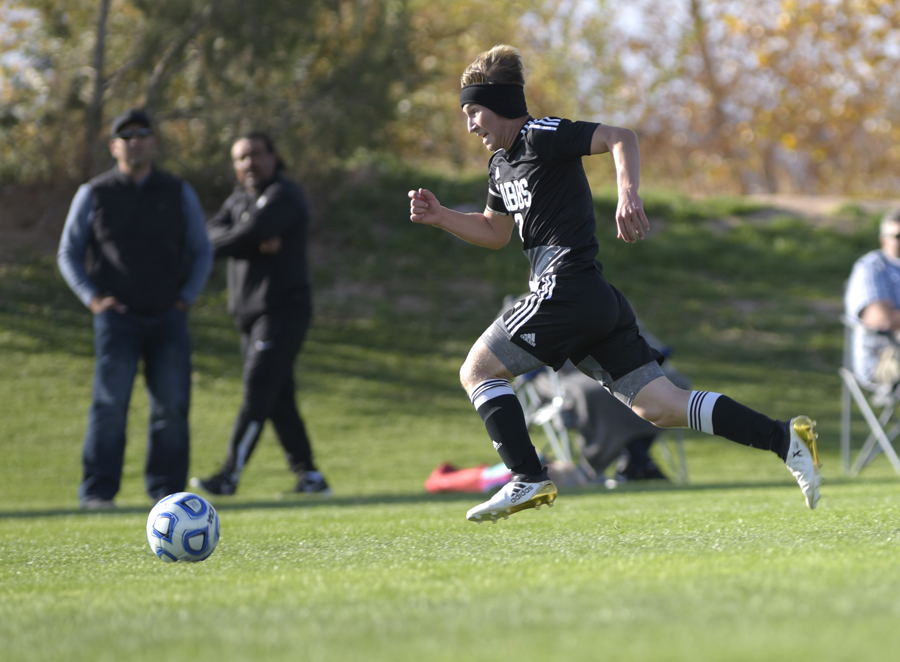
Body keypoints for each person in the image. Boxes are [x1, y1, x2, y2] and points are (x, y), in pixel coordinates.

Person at [407, 45, 822, 523]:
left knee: (478, 370)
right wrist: (441, 218)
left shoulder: (541, 134)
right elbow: (495, 231)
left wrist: (628, 194)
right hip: (590, 300)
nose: (470, 126)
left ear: (498, 103)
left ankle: (527, 477)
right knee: (662, 407)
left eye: (473, 112)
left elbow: (619, 137)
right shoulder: (500, 166)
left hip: (565, 285)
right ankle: (785, 439)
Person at [58, 108, 213, 509]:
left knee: (172, 407)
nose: (135, 142)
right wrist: (93, 299)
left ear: (154, 143)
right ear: (114, 146)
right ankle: (98, 492)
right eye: (126, 137)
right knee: (109, 406)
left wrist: (187, 297)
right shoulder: (94, 193)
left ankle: (168, 495)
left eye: (143, 134)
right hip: (117, 320)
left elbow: (202, 250)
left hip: (168, 316)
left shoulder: (178, 191)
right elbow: (68, 253)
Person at [191, 132, 329, 496]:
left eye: (254, 154)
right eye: (240, 158)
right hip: (249, 316)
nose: (248, 163)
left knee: (258, 391)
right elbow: (211, 234)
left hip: (281, 311)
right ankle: (310, 477)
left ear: (272, 156)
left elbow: (240, 236)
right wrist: (248, 238)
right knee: (278, 396)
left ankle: (229, 475)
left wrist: (244, 236)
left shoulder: (285, 195)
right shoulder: (239, 199)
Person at [844, 209, 900, 389]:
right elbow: (883, 319)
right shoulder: (871, 267)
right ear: (883, 240)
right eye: (898, 236)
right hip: (882, 359)